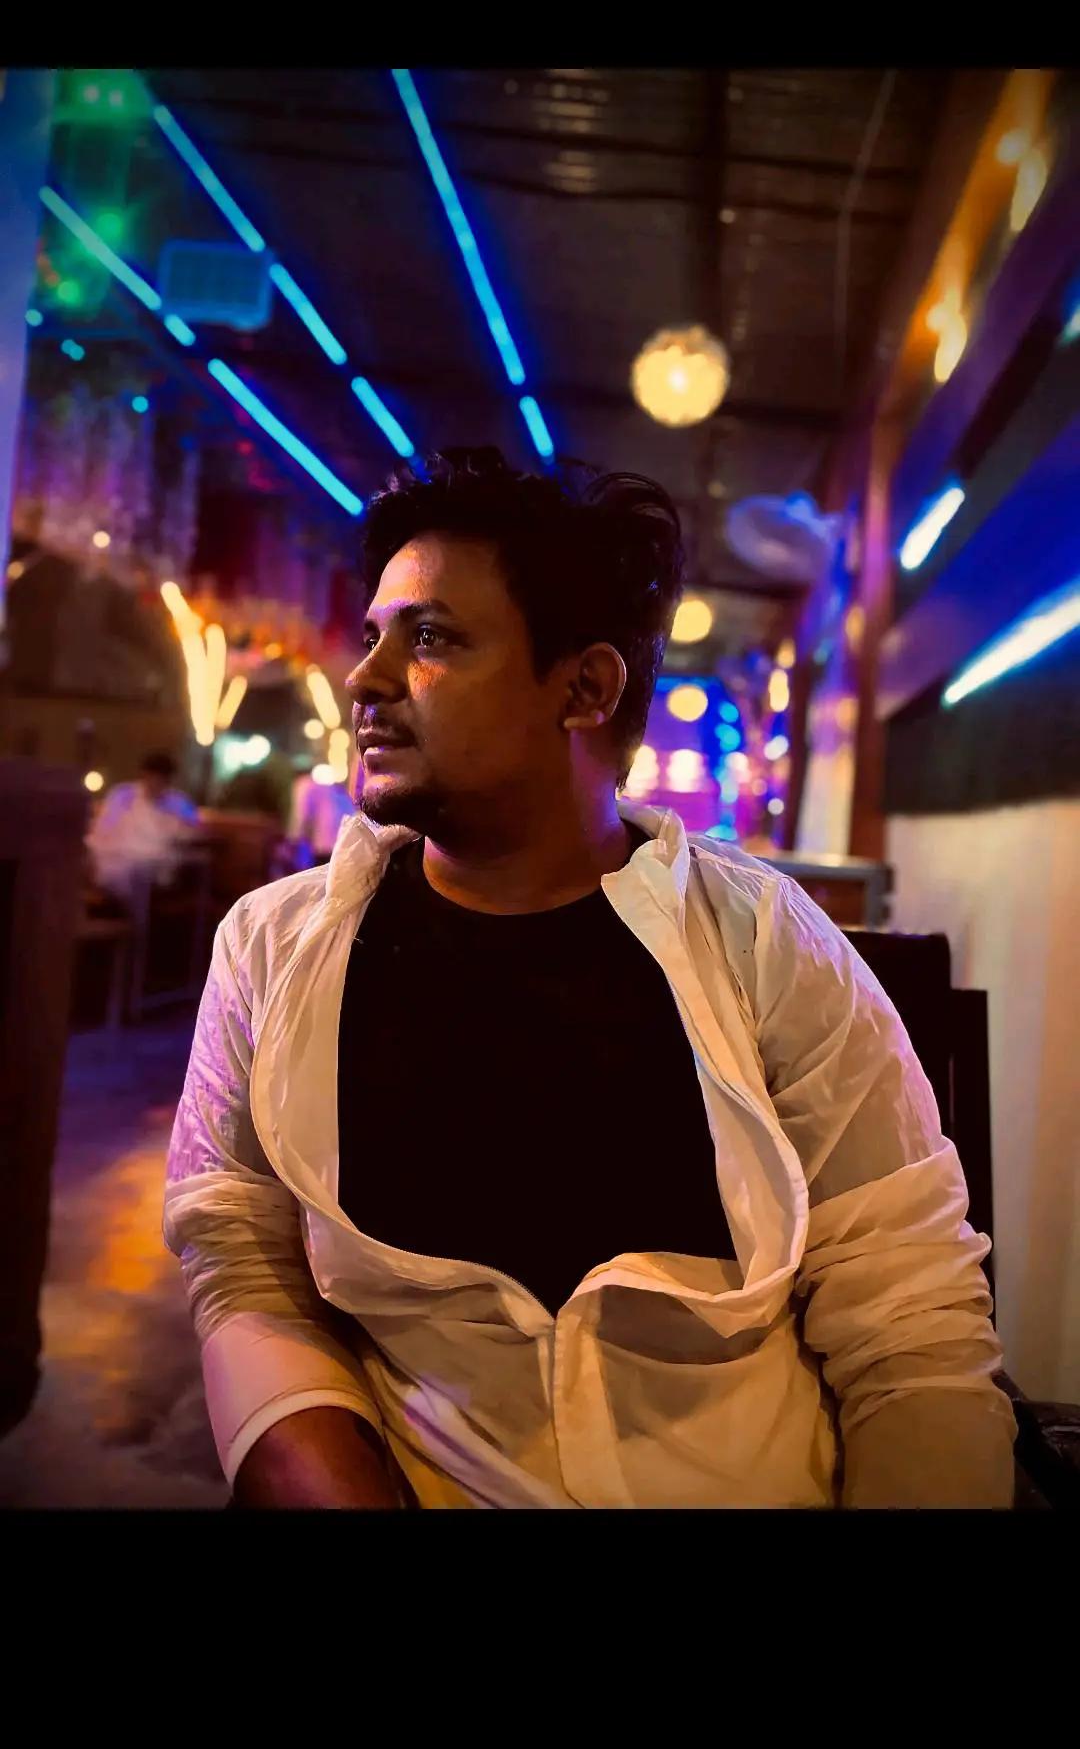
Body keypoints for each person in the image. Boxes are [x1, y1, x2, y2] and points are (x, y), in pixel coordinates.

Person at [165, 448, 1017, 1509]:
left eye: (429, 638)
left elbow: (910, 1321)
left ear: (585, 687)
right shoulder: (273, 946)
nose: (364, 678)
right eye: (375, 635)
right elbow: (241, 1261)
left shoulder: (763, 942)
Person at [88, 750, 199, 905]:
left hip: (157, 864)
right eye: (152, 778)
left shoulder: (178, 802)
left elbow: (192, 830)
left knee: (143, 871)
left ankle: (137, 914)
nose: (156, 784)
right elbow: (104, 829)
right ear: (144, 775)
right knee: (126, 870)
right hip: (120, 858)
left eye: (161, 780)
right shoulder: (123, 795)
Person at [286, 763, 355, 870]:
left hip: (324, 844)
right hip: (343, 842)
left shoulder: (304, 785)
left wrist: (294, 838)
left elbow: (302, 813)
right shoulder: (336, 789)